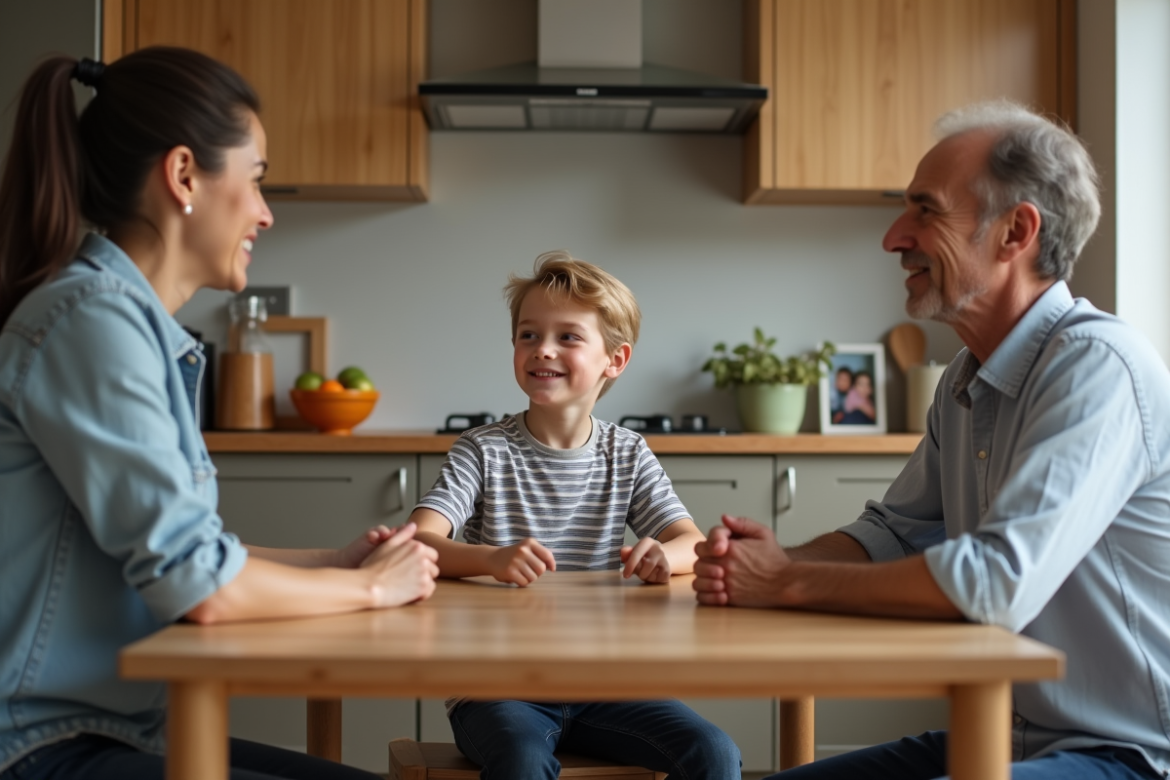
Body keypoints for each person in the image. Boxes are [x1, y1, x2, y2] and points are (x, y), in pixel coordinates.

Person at [694, 100, 1170, 780]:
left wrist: (787, 581)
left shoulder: (1097, 367)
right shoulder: (964, 381)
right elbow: (894, 532)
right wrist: (764, 562)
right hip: (1012, 737)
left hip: (1130, 758)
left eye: (925, 210)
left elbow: (992, 583)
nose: (893, 237)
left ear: (1016, 231)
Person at [0, 50, 439, 780]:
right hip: (43, 749)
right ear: (182, 176)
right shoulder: (90, 322)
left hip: (110, 734)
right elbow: (198, 585)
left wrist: (331, 563)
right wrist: (369, 588)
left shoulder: (120, 324)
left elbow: (191, 552)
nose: (266, 213)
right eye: (257, 180)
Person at [407, 251, 741, 780]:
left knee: (714, 752)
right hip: (496, 689)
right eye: (528, 334)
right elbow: (418, 544)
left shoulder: (627, 453)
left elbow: (691, 545)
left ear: (616, 359)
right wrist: (491, 559)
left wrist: (661, 554)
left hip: (607, 685)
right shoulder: (482, 450)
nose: (543, 349)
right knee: (521, 760)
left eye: (568, 337)